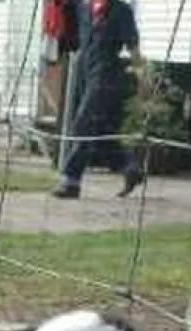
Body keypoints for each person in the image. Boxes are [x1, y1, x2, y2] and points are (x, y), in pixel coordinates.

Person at [52, 0, 145, 199]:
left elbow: (133, 49)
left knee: (82, 126)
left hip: (107, 77)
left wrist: (144, 79)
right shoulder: (82, 7)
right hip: (85, 74)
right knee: (101, 136)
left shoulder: (121, 11)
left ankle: (71, 182)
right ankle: (130, 168)